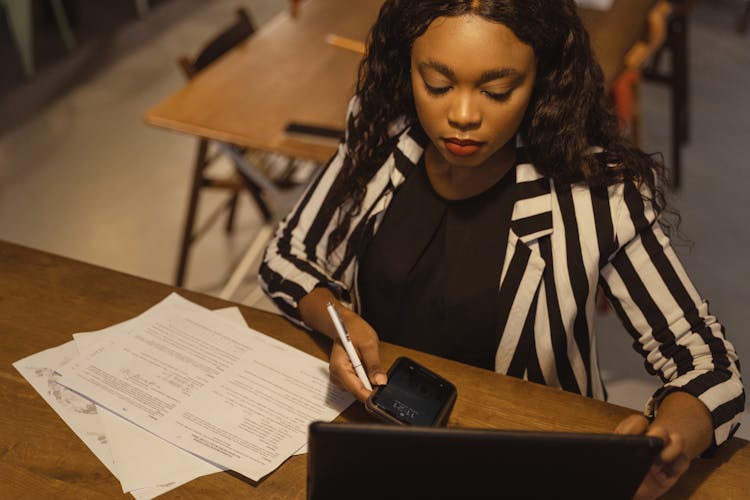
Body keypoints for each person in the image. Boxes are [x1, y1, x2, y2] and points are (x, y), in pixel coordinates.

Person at [260, 1, 744, 497]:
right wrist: (338, 321)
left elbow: (707, 361)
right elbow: (285, 257)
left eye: (497, 90)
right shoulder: (383, 134)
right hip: (374, 439)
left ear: (541, 79)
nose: (463, 115)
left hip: (519, 468)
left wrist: (675, 433)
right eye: (438, 85)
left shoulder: (594, 196)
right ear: (407, 67)